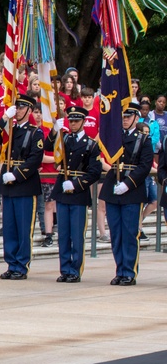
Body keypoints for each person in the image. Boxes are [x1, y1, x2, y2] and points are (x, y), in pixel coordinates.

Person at [46, 106, 102, 283]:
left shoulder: (91, 144)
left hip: (78, 193)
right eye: (71, 121)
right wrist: (55, 130)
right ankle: (65, 269)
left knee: (76, 234)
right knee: (63, 234)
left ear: (83, 122)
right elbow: (47, 147)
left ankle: (75, 270)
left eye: (76, 121)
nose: (73, 124)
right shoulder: (64, 139)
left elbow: (95, 171)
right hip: (63, 190)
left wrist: (77, 184)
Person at [0, 95, 43, 279]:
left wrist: (17, 174)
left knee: (23, 228)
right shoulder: (9, 129)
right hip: (8, 184)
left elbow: (35, 159)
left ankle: (21, 265)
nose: (18, 111)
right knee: (10, 227)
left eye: (21, 108)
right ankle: (11, 264)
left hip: (25, 184)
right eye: (16, 108)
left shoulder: (35, 132)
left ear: (29, 110)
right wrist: (4, 118)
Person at [101, 101, 153, 286]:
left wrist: (128, 184)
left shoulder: (144, 140)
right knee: (116, 233)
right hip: (113, 188)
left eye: (128, 117)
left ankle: (129, 272)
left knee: (129, 233)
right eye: (122, 117)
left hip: (132, 190)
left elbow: (145, 166)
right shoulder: (114, 138)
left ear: (136, 118)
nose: (124, 120)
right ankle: (119, 270)